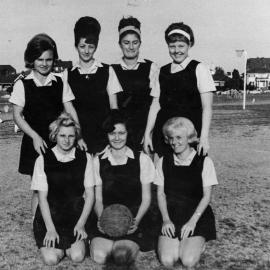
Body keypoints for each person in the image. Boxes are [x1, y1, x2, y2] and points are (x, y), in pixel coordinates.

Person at [9, 33, 86, 218]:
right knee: (39, 188)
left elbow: (70, 109)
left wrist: (79, 135)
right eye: (39, 59)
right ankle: (37, 225)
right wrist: (35, 137)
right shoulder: (22, 84)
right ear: (31, 60)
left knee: (62, 185)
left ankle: (61, 223)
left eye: (49, 59)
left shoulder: (59, 81)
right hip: (35, 143)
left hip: (58, 141)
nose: (44, 63)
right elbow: (17, 116)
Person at [90, 110, 155, 266]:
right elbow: (97, 198)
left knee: (121, 256)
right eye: (112, 133)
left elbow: (147, 198)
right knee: (99, 256)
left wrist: (137, 221)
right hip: (106, 217)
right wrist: (102, 219)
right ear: (106, 135)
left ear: (128, 133)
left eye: (121, 133)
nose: (117, 138)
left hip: (133, 219)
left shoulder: (142, 159)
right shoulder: (98, 160)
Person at [31, 113, 95, 265]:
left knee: (77, 256)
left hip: (75, 216)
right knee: (51, 259)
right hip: (50, 217)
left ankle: (78, 243)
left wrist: (81, 224)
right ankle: (57, 245)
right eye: (62, 135)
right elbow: (42, 199)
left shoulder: (85, 158)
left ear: (76, 137)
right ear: (55, 135)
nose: (67, 140)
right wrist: (50, 229)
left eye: (71, 136)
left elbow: (90, 195)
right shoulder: (42, 160)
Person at [143, 22, 216, 157]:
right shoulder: (161, 71)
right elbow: (155, 104)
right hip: (164, 136)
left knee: (189, 175)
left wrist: (204, 137)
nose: (177, 51)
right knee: (163, 174)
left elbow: (207, 107)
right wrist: (147, 133)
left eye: (181, 46)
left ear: (190, 45)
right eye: (172, 46)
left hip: (189, 137)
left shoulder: (199, 68)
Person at [154, 117, 217, 269]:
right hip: (172, 214)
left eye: (179, 137)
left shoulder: (204, 161)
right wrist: (166, 220)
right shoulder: (163, 161)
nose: (174, 142)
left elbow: (206, 196)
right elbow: (161, 195)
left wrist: (192, 222)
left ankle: (198, 242)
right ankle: (183, 242)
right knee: (168, 260)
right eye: (170, 138)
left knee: (188, 260)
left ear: (189, 138)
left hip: (196, 215)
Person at [66, 16, 118, 154]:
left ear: (96, 46)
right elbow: (68, 109)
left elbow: (114, 107)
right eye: (82, 46)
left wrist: (111, 138)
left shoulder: (107, 70)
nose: (86, 51)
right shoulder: (68, 74)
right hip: (78, 137)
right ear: (76, 46)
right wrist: (77, 137)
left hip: (103, 138)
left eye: (91, 46)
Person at [110, 16, 160, 151]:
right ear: (119, 44)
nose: (131, 47)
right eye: (126, 42)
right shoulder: (111, 69)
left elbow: (155, 104)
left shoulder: (152, 67)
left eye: (135, 42)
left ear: (140, 43)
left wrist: (148, 133)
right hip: (120, 137)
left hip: (146, 134)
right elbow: (113, 108)